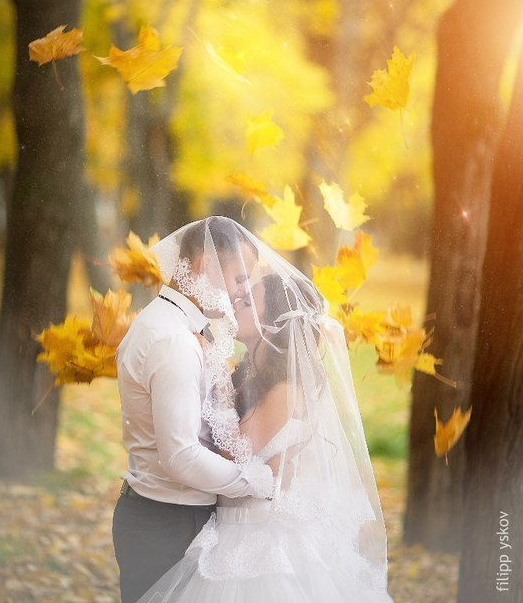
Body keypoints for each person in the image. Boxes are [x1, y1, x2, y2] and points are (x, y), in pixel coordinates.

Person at [130, 216, 394, 602]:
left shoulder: (285, 388)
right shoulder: (250, 375)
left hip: (260, 544)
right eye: (241, 287)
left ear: (270, 326)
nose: (238, 299)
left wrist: (218, 378)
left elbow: (234, 454)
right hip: (233, 526)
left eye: (250, 299)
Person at [112, 217, 276, 603]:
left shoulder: (177, 327)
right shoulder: (172, 341)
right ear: (205, 266)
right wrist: (254, 481)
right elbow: (181, 455)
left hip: (167, 519)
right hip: (167, 526)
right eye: (239, 278)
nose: (242, 292)